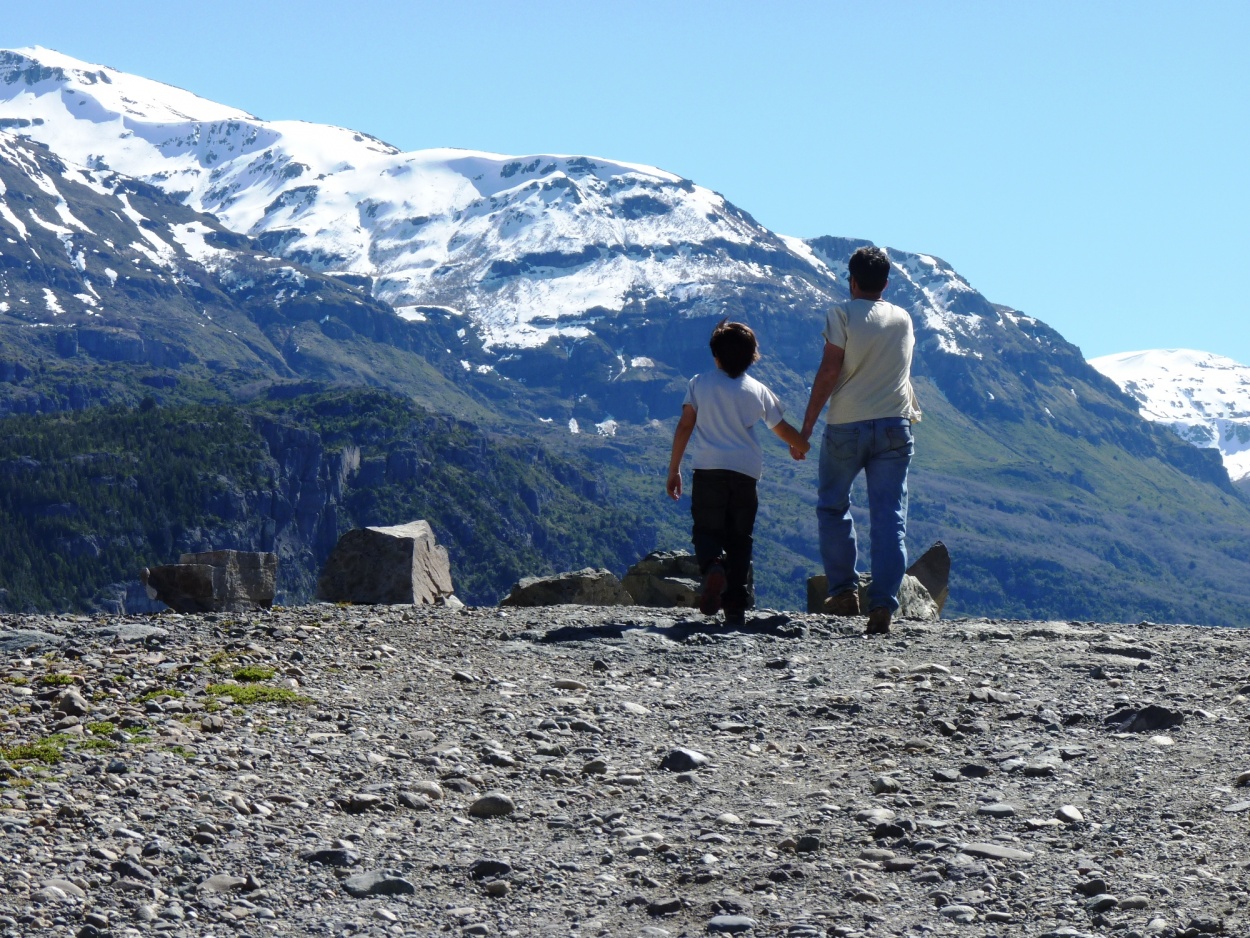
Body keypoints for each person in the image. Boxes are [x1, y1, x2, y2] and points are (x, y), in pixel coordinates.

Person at [795, 245, 921, 635]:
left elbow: (830, 369)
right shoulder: (902, 318)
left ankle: (844, 592)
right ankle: (883, 602)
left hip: (846, 424)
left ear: (851, 280)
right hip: (894, 426)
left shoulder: (841, 315)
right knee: (889, 517)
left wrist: (806, 428)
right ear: (885, 283)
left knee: (833, 507)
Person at [667, 320, 810, 626]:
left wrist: (674, 468)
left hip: (708, 468)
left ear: (715, 355)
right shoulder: (757, 390)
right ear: (752, 356)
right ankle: (735, 606)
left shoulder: (698, 383)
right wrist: (802, 445)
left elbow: (684, 426)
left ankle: (713, 566)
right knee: (740, 538)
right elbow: (781, 428)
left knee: (706, 530)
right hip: (746, 472)